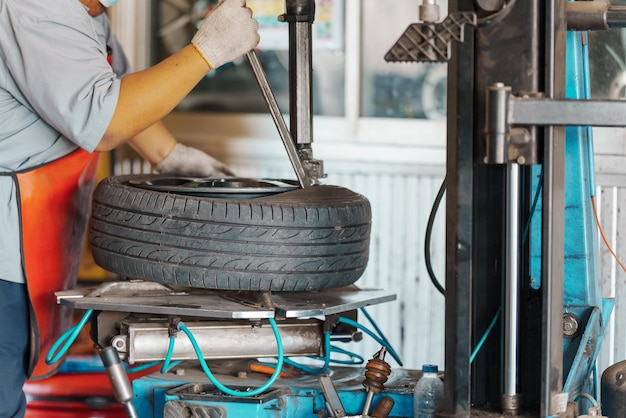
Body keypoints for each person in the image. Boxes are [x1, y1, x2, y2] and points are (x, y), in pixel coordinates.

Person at [0, 0, 259, 415]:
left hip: (33, 239)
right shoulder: (34, 6)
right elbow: (105, 118)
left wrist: (170, 156)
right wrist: (205, 51)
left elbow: (116, 87)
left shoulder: (86, 13)